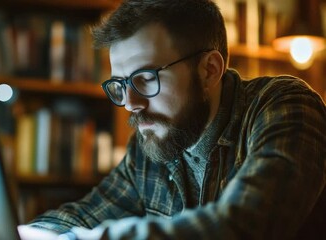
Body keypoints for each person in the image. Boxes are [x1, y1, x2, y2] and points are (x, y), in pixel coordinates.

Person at [24, 0, 326, 239]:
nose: (130, 103)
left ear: (209, 70)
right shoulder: (151, 144)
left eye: (145, 78)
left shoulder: (284, 106)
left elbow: (245, 223)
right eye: (120, 84)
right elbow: (84, 215)